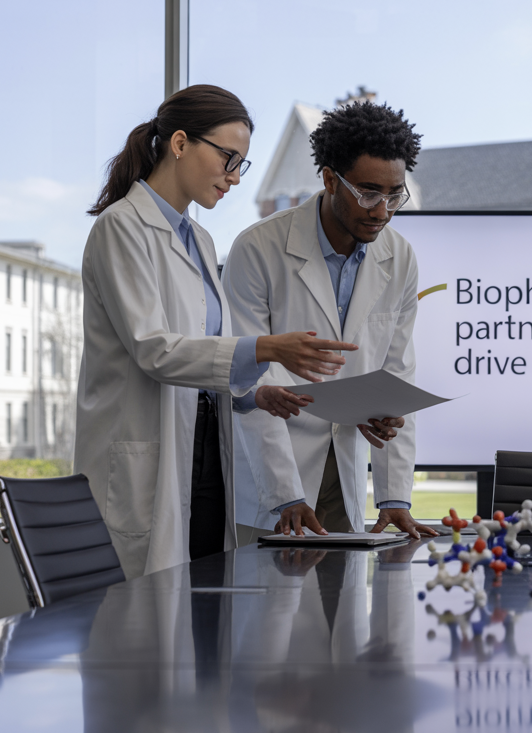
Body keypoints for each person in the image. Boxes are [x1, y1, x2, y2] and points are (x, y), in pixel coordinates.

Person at [77, 85, 356, 578]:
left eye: (241, 164)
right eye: (228, 158)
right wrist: (268, 347)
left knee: (201, 619)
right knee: (144, 628)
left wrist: (253, 394)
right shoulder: (121, 227)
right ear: (180, 144)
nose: (233, 178)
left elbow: (206, 359)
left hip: (204, 458)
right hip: (149, 457)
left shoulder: (201, 240)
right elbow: (154, 351)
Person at [224, 101, 436, 541]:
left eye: (394, 195)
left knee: (344, 606)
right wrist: (285, 494)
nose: (381, 210)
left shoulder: (399, 257)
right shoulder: (259, 248)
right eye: (368, 192)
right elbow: (243, 376)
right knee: (269, 604)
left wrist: (395, 498)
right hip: (271, 473)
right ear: (329, 179)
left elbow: (397, 375)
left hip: (345, 468)